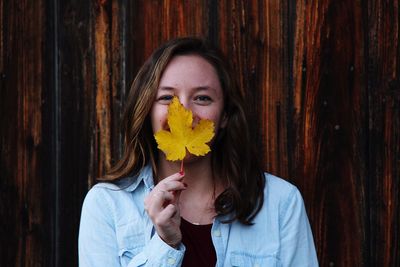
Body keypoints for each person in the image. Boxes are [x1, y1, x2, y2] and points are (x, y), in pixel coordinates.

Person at [78, 37, 319, 266]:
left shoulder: (280, 203)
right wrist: (164, 245)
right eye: (166, 98)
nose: (184, 112)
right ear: (147, 111)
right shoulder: (107, 205)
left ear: (225, 116)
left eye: (202, 98)